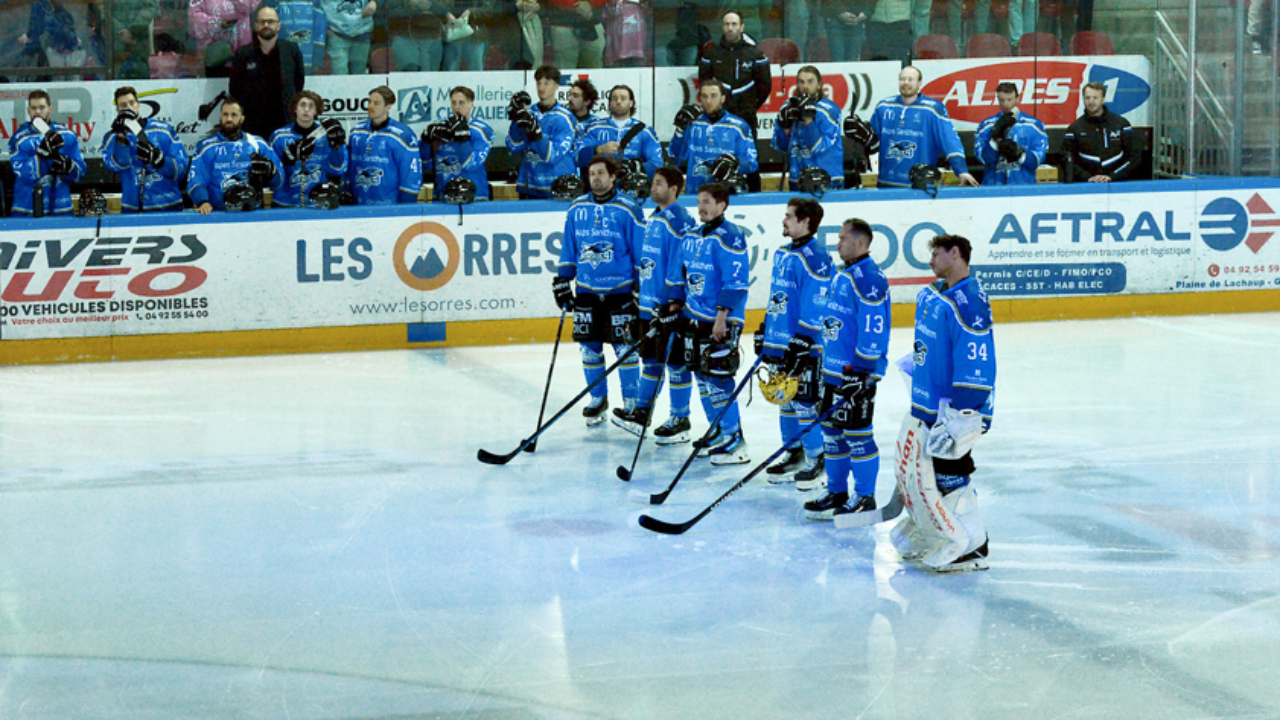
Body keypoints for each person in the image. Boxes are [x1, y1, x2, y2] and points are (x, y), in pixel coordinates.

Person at [892, 233, 995, 573]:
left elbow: (976, 361)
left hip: (953, 409)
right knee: (927, 474)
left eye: (936, 253)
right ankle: (938, 533)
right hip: (929, 404)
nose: (930, 260)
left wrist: (963, 411)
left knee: (950, 471)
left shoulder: (969, 301)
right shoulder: (938, 295)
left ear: (956, 254)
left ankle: (971, 544)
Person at [802, 218, 890, 523]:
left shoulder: (869, 278)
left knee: (857, 435)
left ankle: (864, 496)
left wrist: (863, 373)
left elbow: (873, 331)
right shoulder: (845, 274)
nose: (837, 243)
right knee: (832, 434)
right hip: (833, 372)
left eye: (842, 239)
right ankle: (837, 492)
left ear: (860, 243)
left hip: (855, 376)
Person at [664, 181, 751, 465]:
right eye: (699, 201)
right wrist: (675, 306)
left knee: (719, 377)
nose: (701, 207)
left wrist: (722, 317)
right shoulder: (691, 235)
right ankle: (718, 429)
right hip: (693, 316)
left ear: (722, 205)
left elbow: (736, 282)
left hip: (719, 320)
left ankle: (735, 439)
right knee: (702, 375)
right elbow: (679, 273)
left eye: (707, 202)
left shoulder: (731, 237)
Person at [553, 155, 645, 426]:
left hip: (620, 291)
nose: (595, 178)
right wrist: (562, 280)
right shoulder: (576, 207)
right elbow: (570, 247)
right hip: (587, 291)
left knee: (625, 348)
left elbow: (641, 253)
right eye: (591, 173)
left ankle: (631, 402)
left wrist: (641, 286)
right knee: (589, 348)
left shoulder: (629, 208)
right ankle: (598, 398)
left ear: (613, 176)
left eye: (601, 173)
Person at [611, 167, 697, 441]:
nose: (652, 188)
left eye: (658, 184)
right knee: (650, 360)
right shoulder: (656, 217)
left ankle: (680, 418)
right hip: (649, 306)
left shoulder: (680, 221)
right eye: (653, 183)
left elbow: (681, 265)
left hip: (666, 308)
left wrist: (674, 302)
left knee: (675, 363)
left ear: (674, 188)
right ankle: (641, 412)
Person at [756, 197, 832, 488]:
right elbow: (778, 297)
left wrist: (803, 338)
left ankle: (817, 457)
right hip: (781, 342)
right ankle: (794, 452)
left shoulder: (817, 257)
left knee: (804, 403)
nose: (783, 221)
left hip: (805, 345)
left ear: (806, 222)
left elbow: (818, 302)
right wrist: (766, 329)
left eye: (789, 216)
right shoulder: (782, 253)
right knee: (783, 399)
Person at [848, 65, 979, 189]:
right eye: (903, 79)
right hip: (886, 183)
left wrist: (961, 170)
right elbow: (871, 141)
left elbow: (950, 142)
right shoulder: (883, 106)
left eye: (911, 79)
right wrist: (858, 135)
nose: (906, 83)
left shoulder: (932, 109)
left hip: (920, 185)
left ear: (919, 83)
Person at [698, 10, 769, 190]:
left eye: (734, 24)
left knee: (750, 160)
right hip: (718, 118)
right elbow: (705, 84)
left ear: (742, 27)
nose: (730, 28)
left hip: (746, 117)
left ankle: (755, 197)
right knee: (716, 156)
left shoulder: (756, 54)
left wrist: (750, 106)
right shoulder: (711, 54)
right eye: (726, 24)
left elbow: (765, 87)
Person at [188, 97, 284, 214]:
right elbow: (196, 180)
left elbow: (280, 181)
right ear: (220, 117)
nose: (229, 119)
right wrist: (202, 201)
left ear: (242, 118)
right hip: (218, 213)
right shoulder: (205, 147)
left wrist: (271, 172)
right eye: (225, 114)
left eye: (234, 115)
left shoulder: (258, 144)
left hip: (252, 212)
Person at [102, 86, 189, 213]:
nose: (129, 108)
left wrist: (161, 161)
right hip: (134, 211)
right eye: (123, 105)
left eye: (132, 103)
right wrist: (121, 136)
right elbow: (119, 165)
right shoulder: (112, 137)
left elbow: (181, 170)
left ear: (139, 105)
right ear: (118, 110)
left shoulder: (164, 130)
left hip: (169, 206)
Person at [229, 6, 306, 141]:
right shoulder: (243, 54)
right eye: (262, 22)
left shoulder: (291, 50)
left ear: (278, 26)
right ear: (256, 26)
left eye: (270, 21)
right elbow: (235, 89)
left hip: (285, 123)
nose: (266, 25)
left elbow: (298, 84)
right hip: (253, 126)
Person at [668, 81, 758, 195]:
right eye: (704, 96)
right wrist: (680, 130)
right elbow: (675, 155)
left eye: (714, 96)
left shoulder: (739, 126)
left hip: (725, 195)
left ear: (723, 98)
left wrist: (735, 163)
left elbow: (751, 163)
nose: (708, 101)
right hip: (695, 194)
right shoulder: (692, 123)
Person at [8, 90, 87, 217]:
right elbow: (22, 174)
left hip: (61, 206)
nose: (38, 112)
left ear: (50, 109)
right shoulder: (19, 139)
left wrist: (68, 167)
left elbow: (80, 171)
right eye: (34, 108)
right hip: (28, 208)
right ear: (28, 111)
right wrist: (42, 160)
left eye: (42, 107)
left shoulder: (67, 135)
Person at [506, 64, 577, 199]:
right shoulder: (529, 112)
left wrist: (536, 134)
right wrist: (516, 119)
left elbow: (552, 156)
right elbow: (513, 146)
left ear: (556, 86)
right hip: (530, 185)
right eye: (539, 83)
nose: (541, 88)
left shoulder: (565, 118)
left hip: (559, 186)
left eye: (546, 83)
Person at [269, 90, 349, 208]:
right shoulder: (279, 136)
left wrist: (336, 147)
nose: (306, 110)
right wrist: (287, 159)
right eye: (302, 105)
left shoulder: (326, 134)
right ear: (295, 109)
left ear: (317, 111)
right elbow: (274, 175)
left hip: (319, 200)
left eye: (311, 106)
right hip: (286, 201)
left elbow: (339, 169)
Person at [772, 66, 845, 191]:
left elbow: (820, 147)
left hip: (827, 179)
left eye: (810, 81)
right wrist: (785, 129)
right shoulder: (788, 107)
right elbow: (780, 147)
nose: (805, 86)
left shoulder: (829, 110)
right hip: (798, 178)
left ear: (819, 85)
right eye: (801, 82)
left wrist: (808, 121)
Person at [348, 86, 423, 205]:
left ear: (388, 107)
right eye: (369, 102)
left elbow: (411, 175)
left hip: (389, 207)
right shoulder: (356, 132)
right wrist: (347, 191)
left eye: (376, 103)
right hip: (358, 204)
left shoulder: (403, 135)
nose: (370, 106)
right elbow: (350, 168)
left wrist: (406, 205)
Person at [420, 85, 494, 202]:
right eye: (454, 103)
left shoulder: (482, 130)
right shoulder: (441, 126)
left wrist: (462, 140)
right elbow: (426, 163)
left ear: (471, 105)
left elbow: (472, 164)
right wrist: (425, 143)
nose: (457, 107)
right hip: (442, 195)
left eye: (461, 103)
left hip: (474, 197)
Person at [576, 85, 663, 180]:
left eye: (623, 98)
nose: (618, 102)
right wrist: (599, 150)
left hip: (633, 188)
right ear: (609, 103)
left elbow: (657, 163)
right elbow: (577, 157)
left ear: (631, 103)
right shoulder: (594, 128)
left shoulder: (645, 131)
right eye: (614, 98)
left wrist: (635, 167)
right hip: (600, 186)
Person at [1062, 82, 1138, 184]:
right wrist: (1087, 177)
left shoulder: (1121, 124)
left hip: (1118, 184)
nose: (1091, 102)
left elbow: (1134, 157)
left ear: (1103, 99)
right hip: (1087, 185)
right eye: (1087, 98)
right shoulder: (1074, 128)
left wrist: (1113, 176)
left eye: (1095, 98)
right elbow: (1066, 159)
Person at [974, 81, 1047, 186]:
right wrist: (995, 141)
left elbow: (1037, 160)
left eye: (1009, 99)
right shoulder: (986, 126)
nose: (1005, 104)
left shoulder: (1034, 126)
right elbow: (983, 159)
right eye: (1001, 100)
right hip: (993, 187)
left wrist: (1020, 153)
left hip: (1024, 187)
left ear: (1017, 98)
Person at [19, 0, 87, 80]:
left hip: (56, 54)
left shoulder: (56, 14)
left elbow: (37, 30)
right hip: (53, 53)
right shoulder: (47, 10)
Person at [383, 0, 447, 72]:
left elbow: (449, 11)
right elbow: (388, 12)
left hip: (431, 38)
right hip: (405, 39)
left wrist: (431, 5)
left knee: (431, 77)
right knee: (409, 76)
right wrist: (410, 7)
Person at [188, 0, 258, 59]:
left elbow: (251, 6)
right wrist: (217, 23)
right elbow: (192, 19)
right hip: (213, 53)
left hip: (242, 47)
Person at [321, 0, 377, 74]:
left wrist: (375, 2)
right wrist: (325, 28)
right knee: (339, 73)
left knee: (359, 75)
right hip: (336, 32)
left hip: (362, 32)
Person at [546, 0, 605, 69]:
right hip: (563, 25)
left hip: (593, 25)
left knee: (594, 72)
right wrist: (575, 4)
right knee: (565, 72)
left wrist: (591, 3)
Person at [603, 0, 651, 67]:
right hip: (618, 28)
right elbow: (609, 10)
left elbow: (649, 8)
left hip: (638, 31)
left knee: (638, 65)